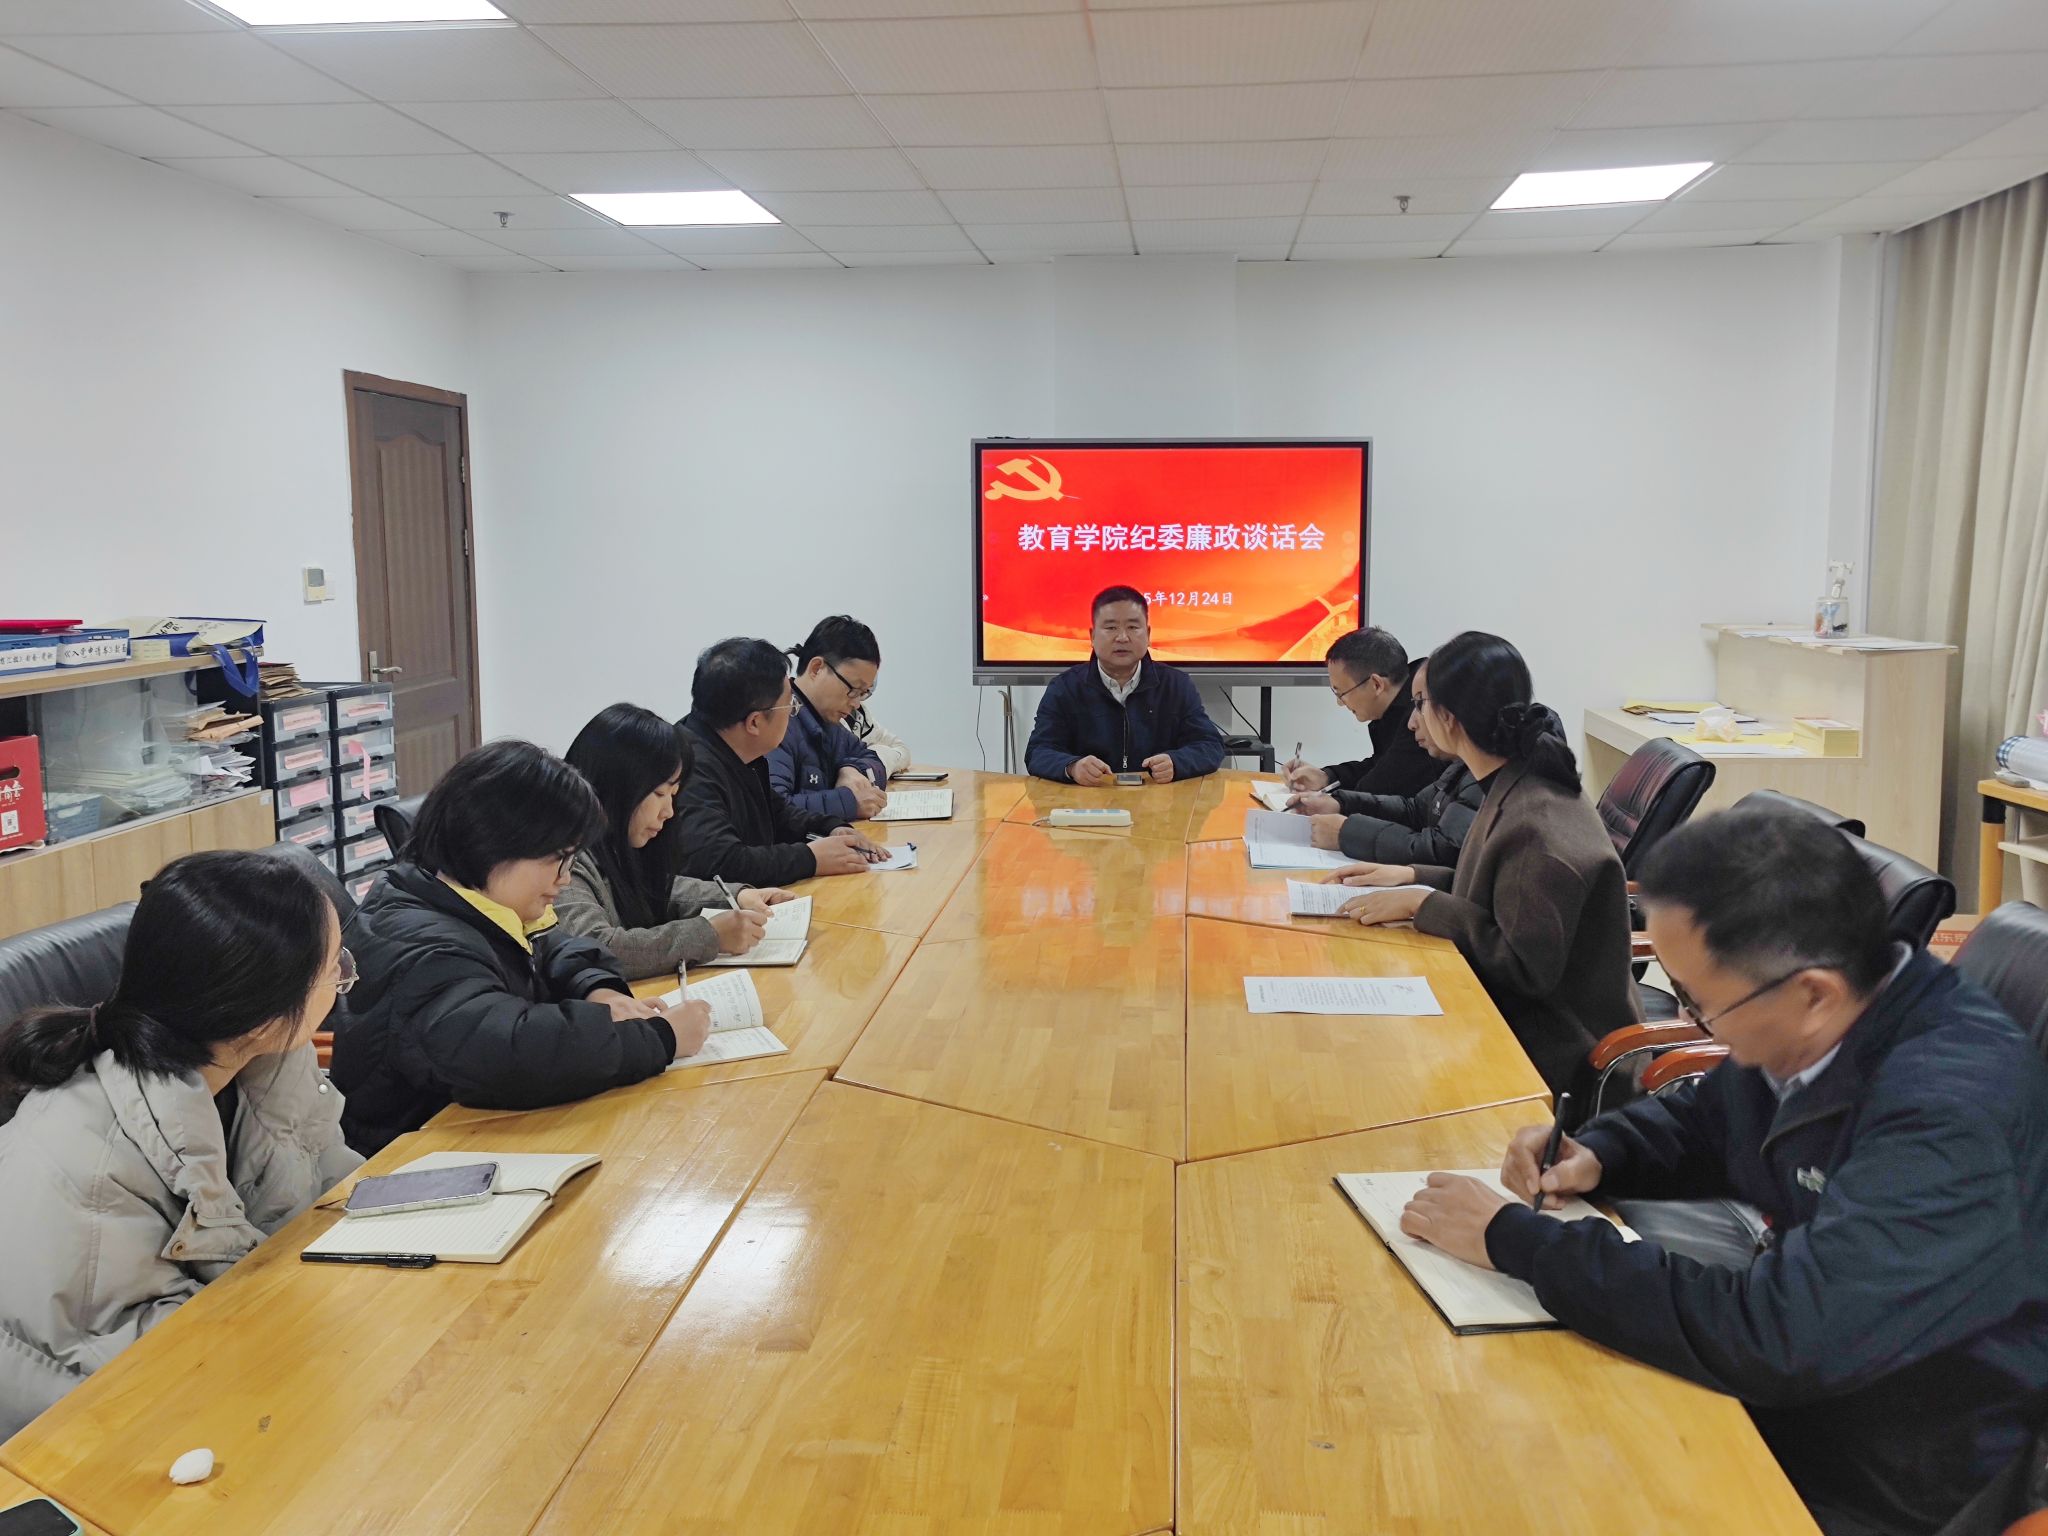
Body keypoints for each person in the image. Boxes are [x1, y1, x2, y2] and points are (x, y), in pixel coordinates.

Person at [1397, 805, 2048, 1536]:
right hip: (1812, 1375)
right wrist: (1601, 1152)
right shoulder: (1831, 1017)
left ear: (1814, 993)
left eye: (1701, 1004)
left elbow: (1780, 1335)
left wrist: (1516, 1240)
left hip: (1891, 1462)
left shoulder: (1948, 1116)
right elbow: (1714, 1119)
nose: (1692, 1023)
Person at [0, 850, 359, 1435]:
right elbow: (138, 1374)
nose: (345, 977)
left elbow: (331, 1186)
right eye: (333, 967)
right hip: (96, 1433)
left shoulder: (265, 1065)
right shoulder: (88, 1170)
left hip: (249, 1367)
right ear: (262, 1016)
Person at [332, 740, 710, 1155]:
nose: (565, 879)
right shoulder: (425, 949)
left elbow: (553, 948)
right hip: (410, 1157)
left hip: (474, 1134)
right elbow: (515, 1050)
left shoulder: (469, 901)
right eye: (558, 859)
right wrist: (660, 1038)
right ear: (495, 843)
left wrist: (598, 990)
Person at [1328, 630, 1637, 1089]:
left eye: (1419, 704)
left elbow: (1522, 968)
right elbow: (1496, 892)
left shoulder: (1535, 822)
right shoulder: (1511, 780)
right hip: (1510, 1021)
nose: (1411, 721)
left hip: (1554, 1057)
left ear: (1449, 718)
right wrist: (1413, 878)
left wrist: (1422, 902)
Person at [560, 703, 799, 977]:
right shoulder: (561, 859)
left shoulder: (616, 844)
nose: (669, 812)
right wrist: (708, 935)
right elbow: (595, 947)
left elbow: (658, 888)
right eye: (660, 794)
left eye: (673, 795)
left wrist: (738, 896)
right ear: (617, 785)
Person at [676, 638, 887, 885]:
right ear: (755, 722)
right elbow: (722, 863)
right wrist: (810, 858)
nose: (793, 712)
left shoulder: (735, 749)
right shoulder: (687, 768)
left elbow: (778, 812)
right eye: (790, 705)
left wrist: (831, 827)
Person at [1286, 654, 1485, 862]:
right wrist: (1339, 803)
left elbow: (1442, 852)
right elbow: (1414, 810)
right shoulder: (1461, 766)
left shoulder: (1483, 777)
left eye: (1420, 704)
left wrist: (1347, 833)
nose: (1412, 723)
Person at [1023, 586, 1226, 784]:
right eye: (1111, 628)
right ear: (1092, 636)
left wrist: (1176, 763)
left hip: (1158, 800)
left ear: (1148, 634)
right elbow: (1038, 752)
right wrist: (1072, 767)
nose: (1122, 637)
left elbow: (1210, 745)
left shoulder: (1176, 685)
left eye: (1133, 627)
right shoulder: (1065, 688)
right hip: (1089, 800)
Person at [1282, 626, 1440, 800]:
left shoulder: (1422, 718)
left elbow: (1376, 789)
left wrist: (1333, 800)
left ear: (1376, 685)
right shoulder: (1395, 706)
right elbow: (1379, 766)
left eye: (1341, 693)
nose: (1340, 702)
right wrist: (1327, 777)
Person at [767, 616, 889, 822]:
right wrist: (849, 803)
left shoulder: (828, 723)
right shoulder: (778, 721)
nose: (856, 704)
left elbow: (871, 758)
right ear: (817, 668)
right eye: (853, 689)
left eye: (863, 693)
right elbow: (772, 809)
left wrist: (851, 770)